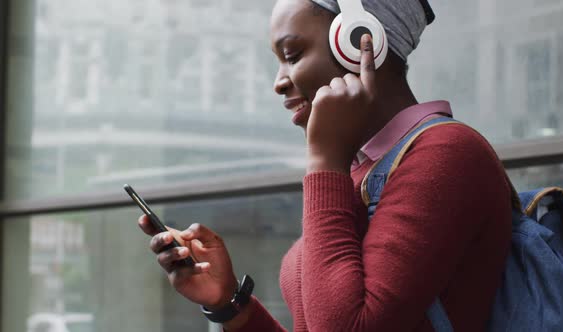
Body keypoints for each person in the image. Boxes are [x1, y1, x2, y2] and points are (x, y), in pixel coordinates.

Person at [138, 0, 513, 330]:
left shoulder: (446, 153)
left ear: (359, 41)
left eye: (293, 54)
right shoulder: (360, 172)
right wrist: (230, 305)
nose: (279, 83)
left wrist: (324, 161)